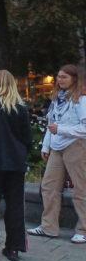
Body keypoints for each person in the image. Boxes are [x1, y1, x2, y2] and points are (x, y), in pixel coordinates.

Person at [28, 64, 86, 244]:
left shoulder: (81, 100)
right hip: (57, 146)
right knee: (49, 186)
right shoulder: (57, 99)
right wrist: (46, 146)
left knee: (81, 188)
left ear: (74, 79)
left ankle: (83, 229)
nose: (60, 80)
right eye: (59, 77)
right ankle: (48, 226)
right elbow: (51, 124)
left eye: (64, 77)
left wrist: (61, 129)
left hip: (76, 145)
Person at [0, 70, 32, 261]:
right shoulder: (20, 107)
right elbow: (27, 138)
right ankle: (13, 247)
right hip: (15, 162)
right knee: (14, 206)